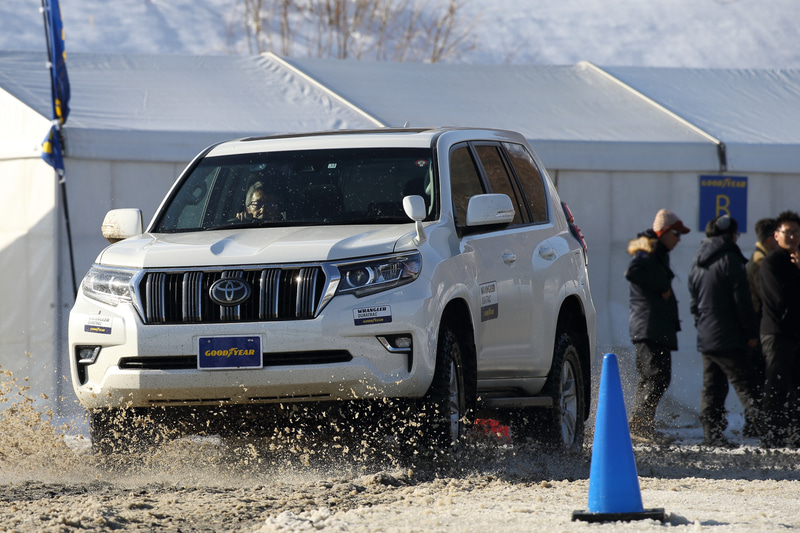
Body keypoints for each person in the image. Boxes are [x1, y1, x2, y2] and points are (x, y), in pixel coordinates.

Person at [688, 215, 764, 447]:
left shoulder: (698, 260)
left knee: (712, 388)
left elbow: (694, 302)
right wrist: (751, 333)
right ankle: (771, 435)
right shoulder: (731, 259)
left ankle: (713, 437)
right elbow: (742, 301)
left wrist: (702, 328)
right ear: (731, 235)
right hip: (729, 336)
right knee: (747, 386)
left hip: (707, 336)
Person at [625, 208, 690, 444]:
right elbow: (633, 272)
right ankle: (639, 426)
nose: (679, 239)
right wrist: (661, 286)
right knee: (656, 377)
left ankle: (641, 426)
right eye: (676, 233)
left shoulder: (656, 249)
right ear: (663, 232)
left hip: (654, 326)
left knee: (652, 378)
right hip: (649, 326)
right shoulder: (649, 246)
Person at [759, 210, 800, 447]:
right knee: (776, 386)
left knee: (796, 387)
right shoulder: (771, 262)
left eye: (796, 232)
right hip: (777, 333)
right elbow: (783, 298)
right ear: (776, 235)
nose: (793, 236)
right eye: (788, 232)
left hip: (795, 334)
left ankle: (794, 436)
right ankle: (772, 438)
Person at [742, 217, 777, 437]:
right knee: (759, 377)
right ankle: (754, 424)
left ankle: (752, 423)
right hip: (759, 324)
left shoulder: (759, 259)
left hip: (757, 323)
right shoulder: (760, 261)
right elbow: (763, 297)